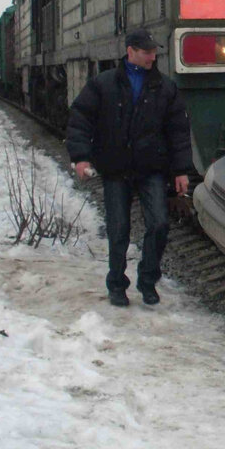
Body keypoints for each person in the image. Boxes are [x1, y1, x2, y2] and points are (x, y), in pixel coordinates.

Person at [66, 29, 192, 308]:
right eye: (147, 51)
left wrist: (181, 170)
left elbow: (178, 131)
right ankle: (116, 285)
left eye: (153, 51)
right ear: (131, 51)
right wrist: (81, 156)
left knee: (159, 224)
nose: (152, 56)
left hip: (151, 169)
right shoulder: (103, 84)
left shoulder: (165, 87)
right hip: (115, 168)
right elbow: (80, 119)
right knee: (118, 229)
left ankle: (148, 281)